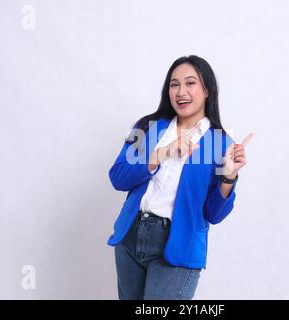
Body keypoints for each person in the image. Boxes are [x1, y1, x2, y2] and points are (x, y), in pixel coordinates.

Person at [107, 55, 254, 300]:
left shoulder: (219, 144)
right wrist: (162, 152)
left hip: (177, 244)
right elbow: (118, 177)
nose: (180, 91)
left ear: (207, 89)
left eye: (190, 83)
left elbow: (213, 215)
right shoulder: (147, 126)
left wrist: (228, 178)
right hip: (130, 238)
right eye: (174, 84)